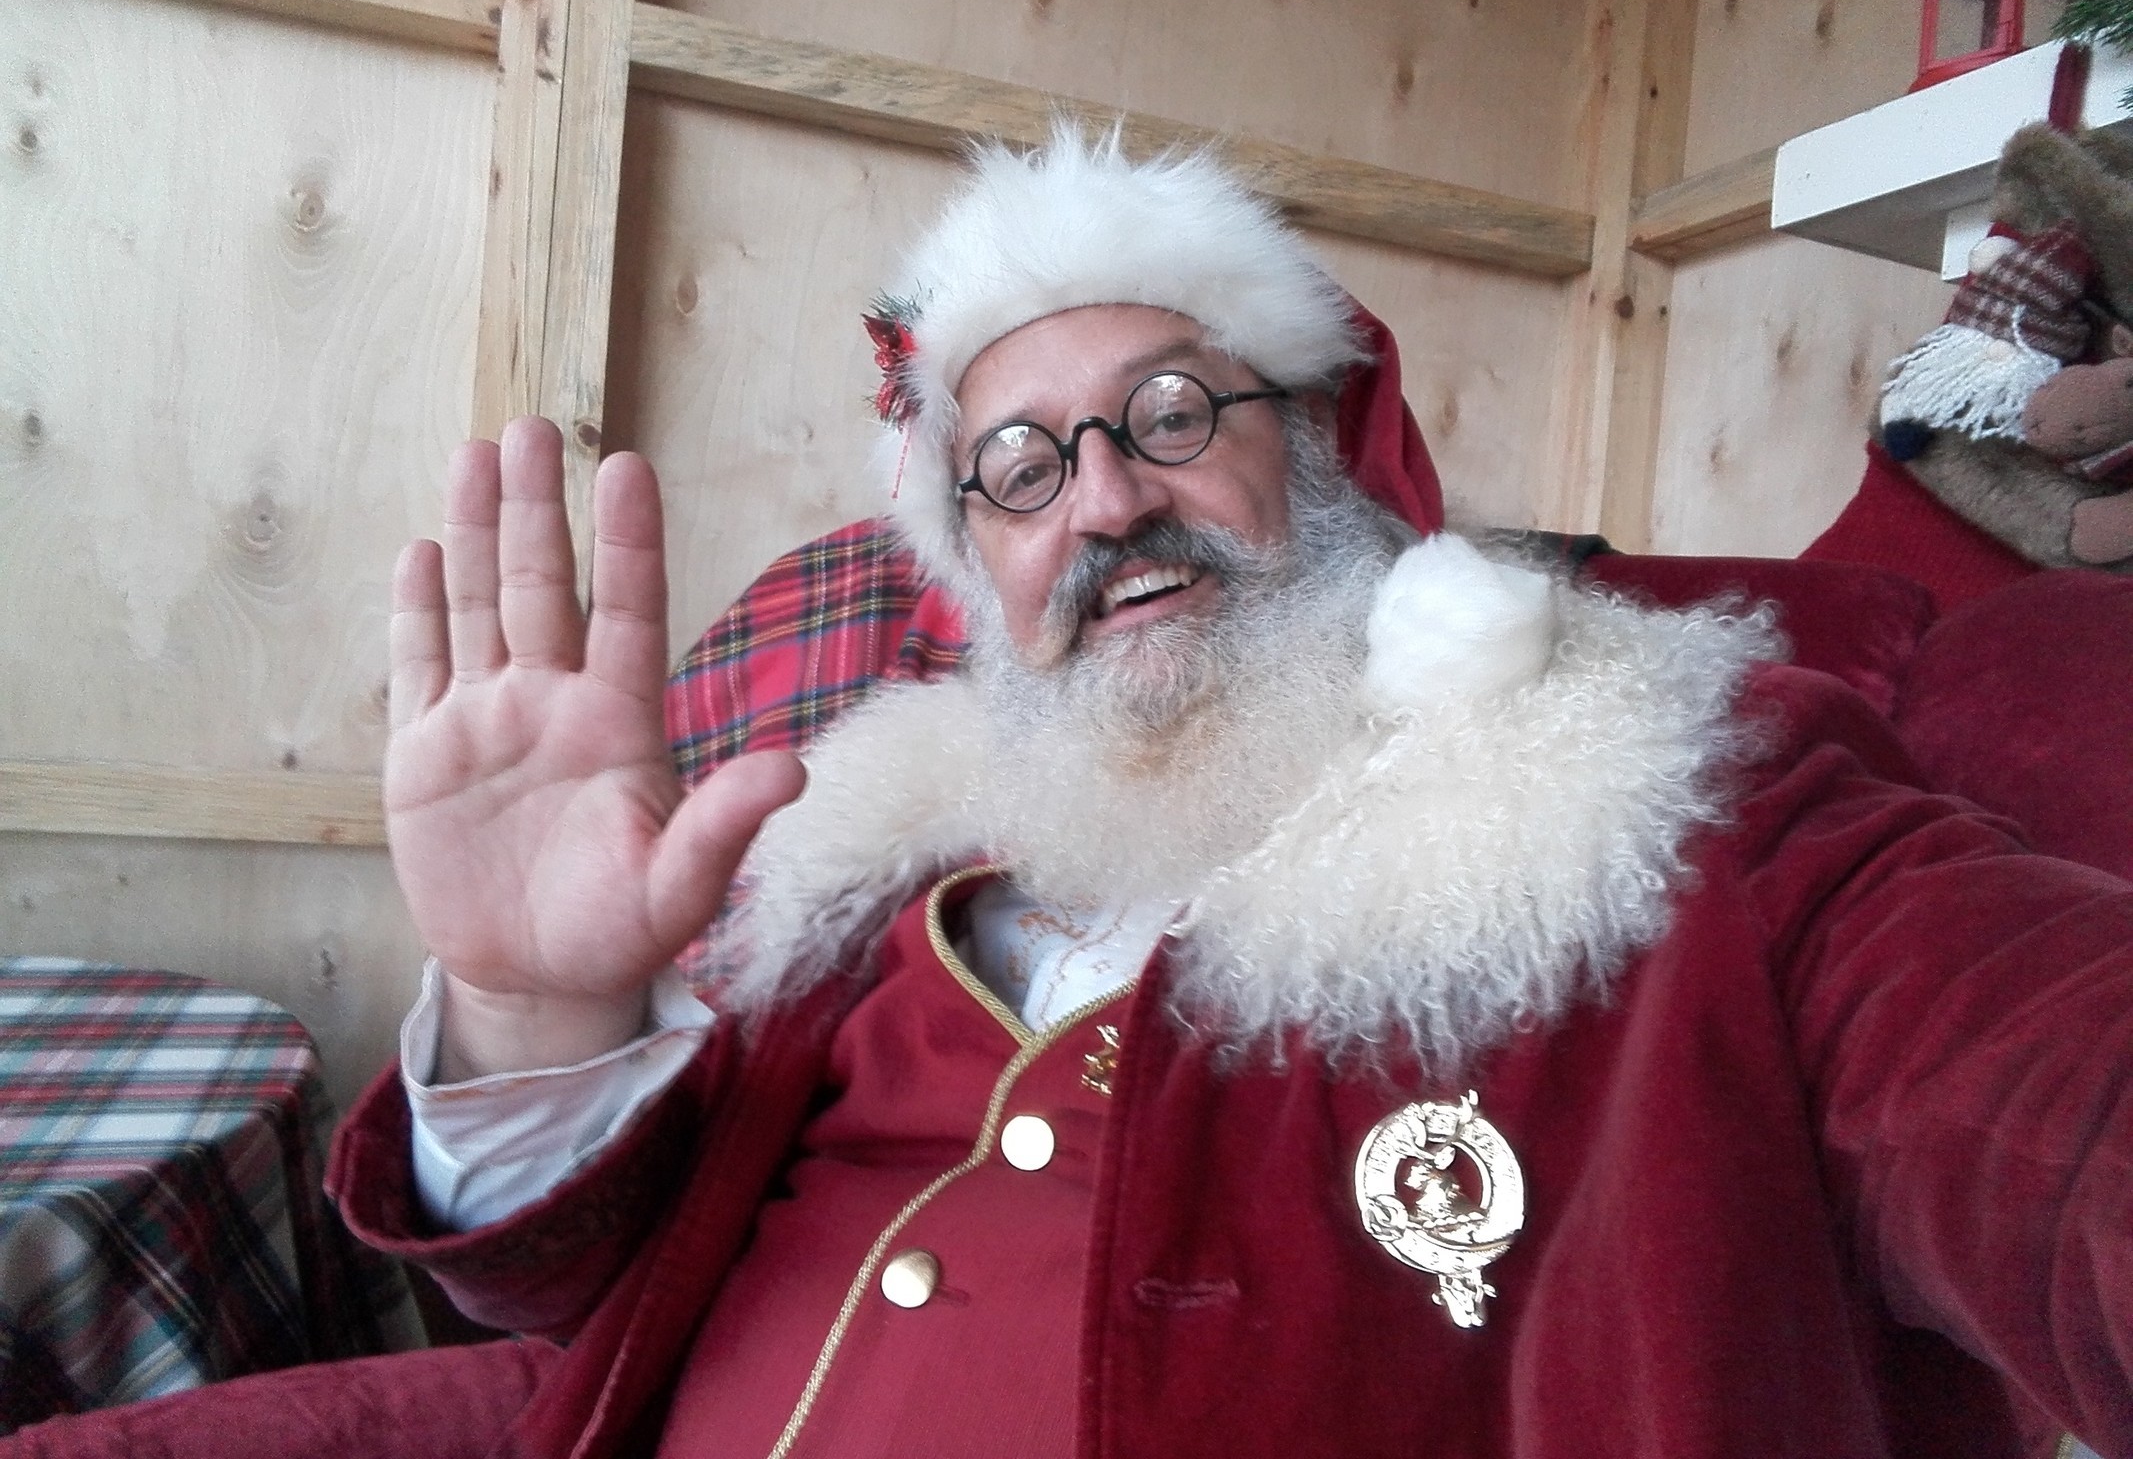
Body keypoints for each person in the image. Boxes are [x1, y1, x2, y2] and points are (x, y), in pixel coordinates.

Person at [11, 129, 2130, 1459]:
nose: (1101, 499)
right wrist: (529, 1010)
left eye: (1171, 411)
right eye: (1015, 467)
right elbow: (569, 1304)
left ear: (1327, 458)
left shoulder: (1661, 791)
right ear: (975, 568)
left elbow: (2031, 1094)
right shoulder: (860, 883)